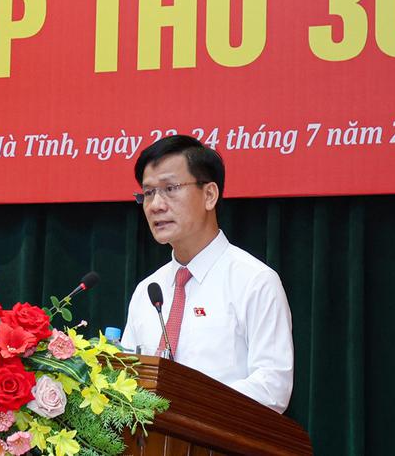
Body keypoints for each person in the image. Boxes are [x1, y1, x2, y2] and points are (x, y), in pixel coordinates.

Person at [120, 134, 294, 413]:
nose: (155, 205)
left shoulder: (254, 281)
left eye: (170, 188)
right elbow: (126, 380)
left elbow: (272, 387)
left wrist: (189, 403)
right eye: (148, 193)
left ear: (209, 195)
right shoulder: (148, 290)